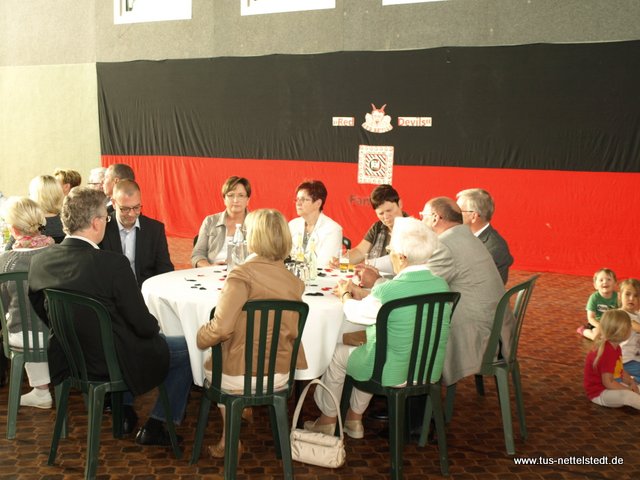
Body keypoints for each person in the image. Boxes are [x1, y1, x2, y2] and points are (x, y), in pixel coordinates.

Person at [28, 187, 192, 446]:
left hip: (70, 357)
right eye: (106, 218)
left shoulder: (40, 262)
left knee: (125, 337)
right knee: (187, 349)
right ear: (96, 222)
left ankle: (125, 411)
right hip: (112, 361)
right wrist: (156, 326)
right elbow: (143, 326)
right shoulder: (113, 265)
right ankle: (158, 424)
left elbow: (41, 307)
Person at [304, 217, 450, 439]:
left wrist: (345, 293)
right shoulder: (441, 285)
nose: (390, 254)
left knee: (340, 353)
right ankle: (353, 418)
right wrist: (365, 293)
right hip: (427, 370)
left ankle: (328, 420)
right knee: (371, 348)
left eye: (390, 251)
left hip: (391, 371)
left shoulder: (389, 290)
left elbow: (355, 313)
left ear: (401, 257)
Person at [196, 208, 306, 459]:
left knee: (212, 361)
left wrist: (200, 336)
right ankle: (243, 414)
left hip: (239, 374)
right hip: (280, 375)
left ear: (253, 238)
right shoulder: (295, 282)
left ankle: (229, 438)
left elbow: (221, 328)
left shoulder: (241, 275)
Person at [421, 197, 505, 386]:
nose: (421, 220)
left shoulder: (444, 244)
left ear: (435, 217)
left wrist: (378, 282)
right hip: (494, 327)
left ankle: (413, 395)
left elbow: (422, 288)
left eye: (423, 215)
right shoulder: (467, 236)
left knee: (411, 331)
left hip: (477, 334)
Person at [0, 197, 54, 408]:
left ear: (13, 229)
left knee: (23, 321)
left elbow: (4, 305)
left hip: (21, 336)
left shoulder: (5, 262)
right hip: (57, 332)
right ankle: (43, 391)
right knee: (40, 322)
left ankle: (41, 391)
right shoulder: (57, 253)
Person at [99, 180, 173, 288]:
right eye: (125, 209)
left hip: (145, 290)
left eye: (136, 207)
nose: (131, 214)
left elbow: (165, 269)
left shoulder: (155, 229)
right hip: (112, 292)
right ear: (114, 203)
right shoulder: (102, 228)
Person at [332, 184, 407, 270]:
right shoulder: (377, 227)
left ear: (400, 204)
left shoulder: (414, 228)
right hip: (374, 276)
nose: (386, 216)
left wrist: (369, 264)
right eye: (381, 213)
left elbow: (399, 261)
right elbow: (360, 251)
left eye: (389, 210)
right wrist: (341, 261)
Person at [583, 309, 640, 409]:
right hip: (599, 393)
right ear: (622, 331)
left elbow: (621, 371)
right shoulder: (607, 351)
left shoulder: (616, 347)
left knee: (637, 388)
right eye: (629, 327)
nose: (631, 329)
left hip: (612, 385)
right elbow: (608, 383)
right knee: (628, 396)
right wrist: (629, 390)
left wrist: (632, 383)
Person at [456, 188, 513, 284]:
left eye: (459, 211)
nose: (454, 215)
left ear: (473, 216)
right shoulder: (464, 236)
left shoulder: (494, 248)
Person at [191, 176, 251, 268]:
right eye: (231, 195)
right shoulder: (210, 221)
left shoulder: (257, 223)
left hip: (245, 273)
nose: (236, 200)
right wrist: (209, 267)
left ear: (248, 200)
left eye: (241, 195)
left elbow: (264, 258)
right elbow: (197, 254)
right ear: (224, 199)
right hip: (212, 272)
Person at [288, 180, 342, 268]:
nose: (298, 203)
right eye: (297, 199)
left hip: (319, 276)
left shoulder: (333, 230)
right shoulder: (292, 225)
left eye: (304, 199)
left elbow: (323, 264)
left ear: (318, 203)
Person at [579, 268, 618, 341]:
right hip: (596, 324)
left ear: (615, 283)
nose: (605, 282)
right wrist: (600, 326)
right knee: (596, 336)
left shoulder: (618, 297)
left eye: (609, 279)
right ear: (595, 285)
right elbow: (591, 318)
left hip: (611, 324)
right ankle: (583, 330)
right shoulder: (594, 298)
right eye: (601, 280)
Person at [618, 279, 640, 378]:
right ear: (620, 296)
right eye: (627, 294)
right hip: (625, 360)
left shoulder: (637, 315)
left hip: (635, 359)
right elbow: (637, 327)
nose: (631, 298)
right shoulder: (620, 314)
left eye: (636, 295)